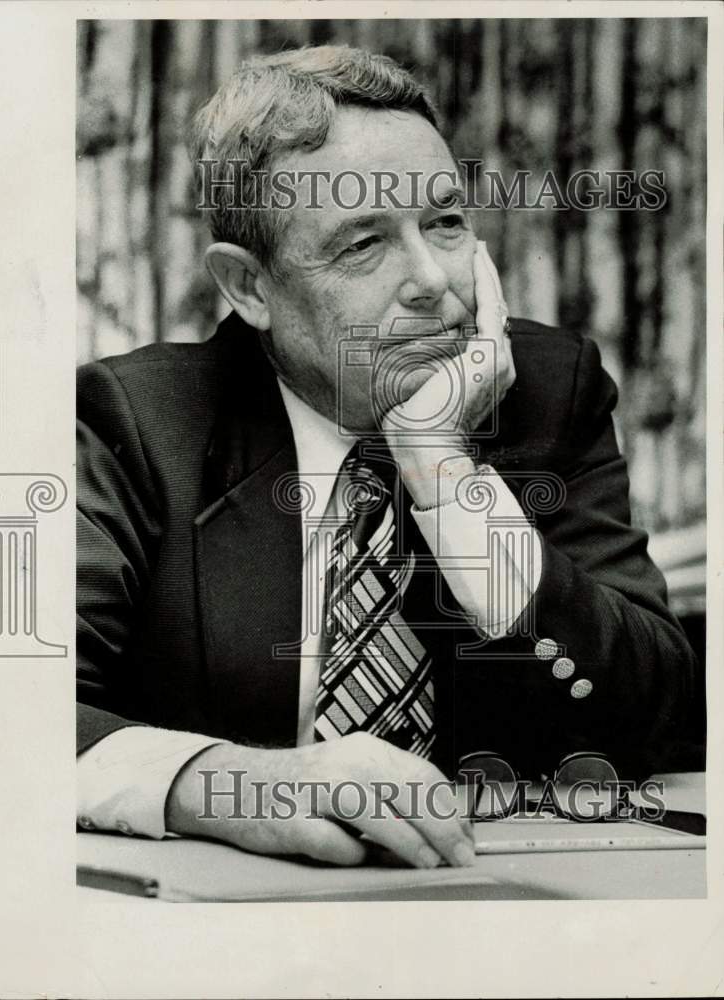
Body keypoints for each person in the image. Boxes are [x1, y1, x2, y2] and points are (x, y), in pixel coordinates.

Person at [76, 45, 696, 869]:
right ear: (249, 288)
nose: (435, 282)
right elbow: (3, 715)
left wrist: (445, 473)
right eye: (363, 244)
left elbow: (651, 717)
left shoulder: (547, 391)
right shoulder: (141, 421)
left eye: (444, 223)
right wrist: (239, 785)